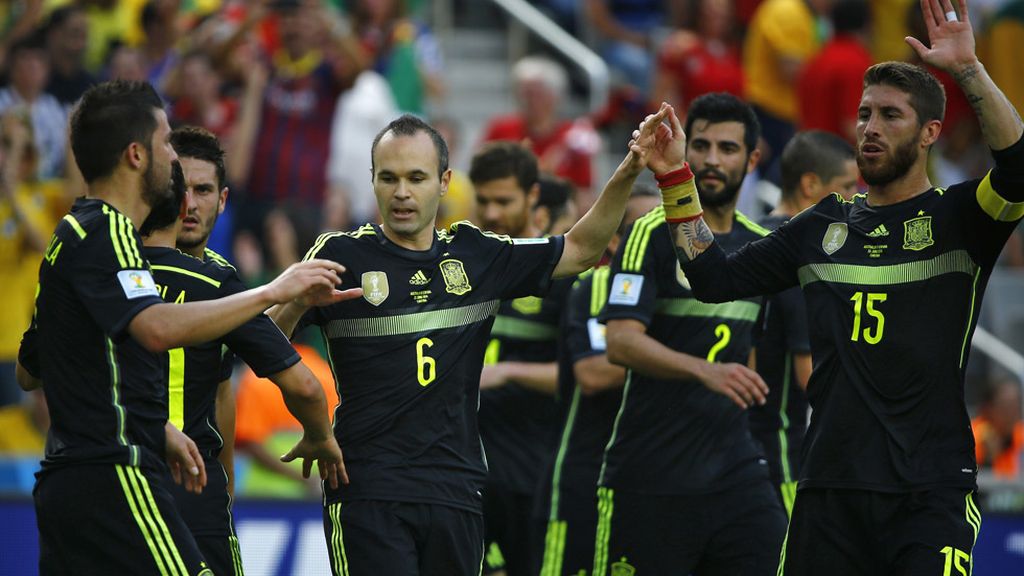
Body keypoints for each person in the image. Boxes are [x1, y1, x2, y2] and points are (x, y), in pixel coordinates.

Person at [657, 0, 1024, 572]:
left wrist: (970, 71)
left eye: (890, 116)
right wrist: (676, 179)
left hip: (928, 491)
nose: (871, 129)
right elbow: (711, 276)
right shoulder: (822, 225)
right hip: (829, 490)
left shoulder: (961, 219)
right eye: (864, 114)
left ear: (930, 133)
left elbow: (1019, 168)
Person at [268, 111, 663, 575]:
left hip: (457, 488)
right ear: (372, 180)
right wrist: (295, 304)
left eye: (416, 178)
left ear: (444, 182)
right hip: (368, 487)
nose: (401, 193)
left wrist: (629, 169)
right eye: (389, 178)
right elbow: (264, 345)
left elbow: (580, 251)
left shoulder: (476, 255)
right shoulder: (339, 255)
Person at [14, 80, 355, 575]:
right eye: (166, 141)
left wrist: (152, 424)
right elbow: (154, 330)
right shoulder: (111, 234)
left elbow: (33, 370)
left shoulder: (73, 234)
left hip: (67, 479)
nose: (172, 156)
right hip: (120, 472)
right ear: (136, 155)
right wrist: (270, 291)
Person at [135, 125, 347, 575]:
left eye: (203, 189)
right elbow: (301, 386)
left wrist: (225, 482)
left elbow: (229, 368)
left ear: (224, 200)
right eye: (181, 188)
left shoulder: (129, 266)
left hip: (162, 484)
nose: (190, 204)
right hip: (173, 485)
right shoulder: (211, 282)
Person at [594, 92, 786, 576]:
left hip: (736, 472)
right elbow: (620, 341)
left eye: (727, 148)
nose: (712, 160)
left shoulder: (761, 247)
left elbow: (759, 355)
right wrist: (705, 372)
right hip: (651, 473)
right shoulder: (650, 232)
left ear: (752, 159)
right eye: (700, 145)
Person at [534, 186, 660, 576]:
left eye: (667, 227)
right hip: (582, 480)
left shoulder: (677, 293)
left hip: (646, 482)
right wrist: (690, 362)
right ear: (618, 240)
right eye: (646, 230)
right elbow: (593, 373)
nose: (660, 239)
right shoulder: (597, 287)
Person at [470, 142, 576, 576]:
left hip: (536, 477)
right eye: (483, 201)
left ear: (533, 198)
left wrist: (506, 372)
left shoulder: (562, 278)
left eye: (503, 201)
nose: (492, 213)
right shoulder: (462, 269)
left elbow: (588, 372)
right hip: (465, 474)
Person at [751, 130, 858, 516]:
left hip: (734, 445)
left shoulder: (751, 236)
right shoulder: (799, 253)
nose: (855, 198)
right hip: (778, 447)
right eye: (847, 187)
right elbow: (808, 372)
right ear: (811, 184)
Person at [972, 376, 1023, 479]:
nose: (1012, 414)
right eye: (1006, 408)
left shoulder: (1019, 433)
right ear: (987, 409)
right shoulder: (972, 437)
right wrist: (988, 460)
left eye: (1016, 407)